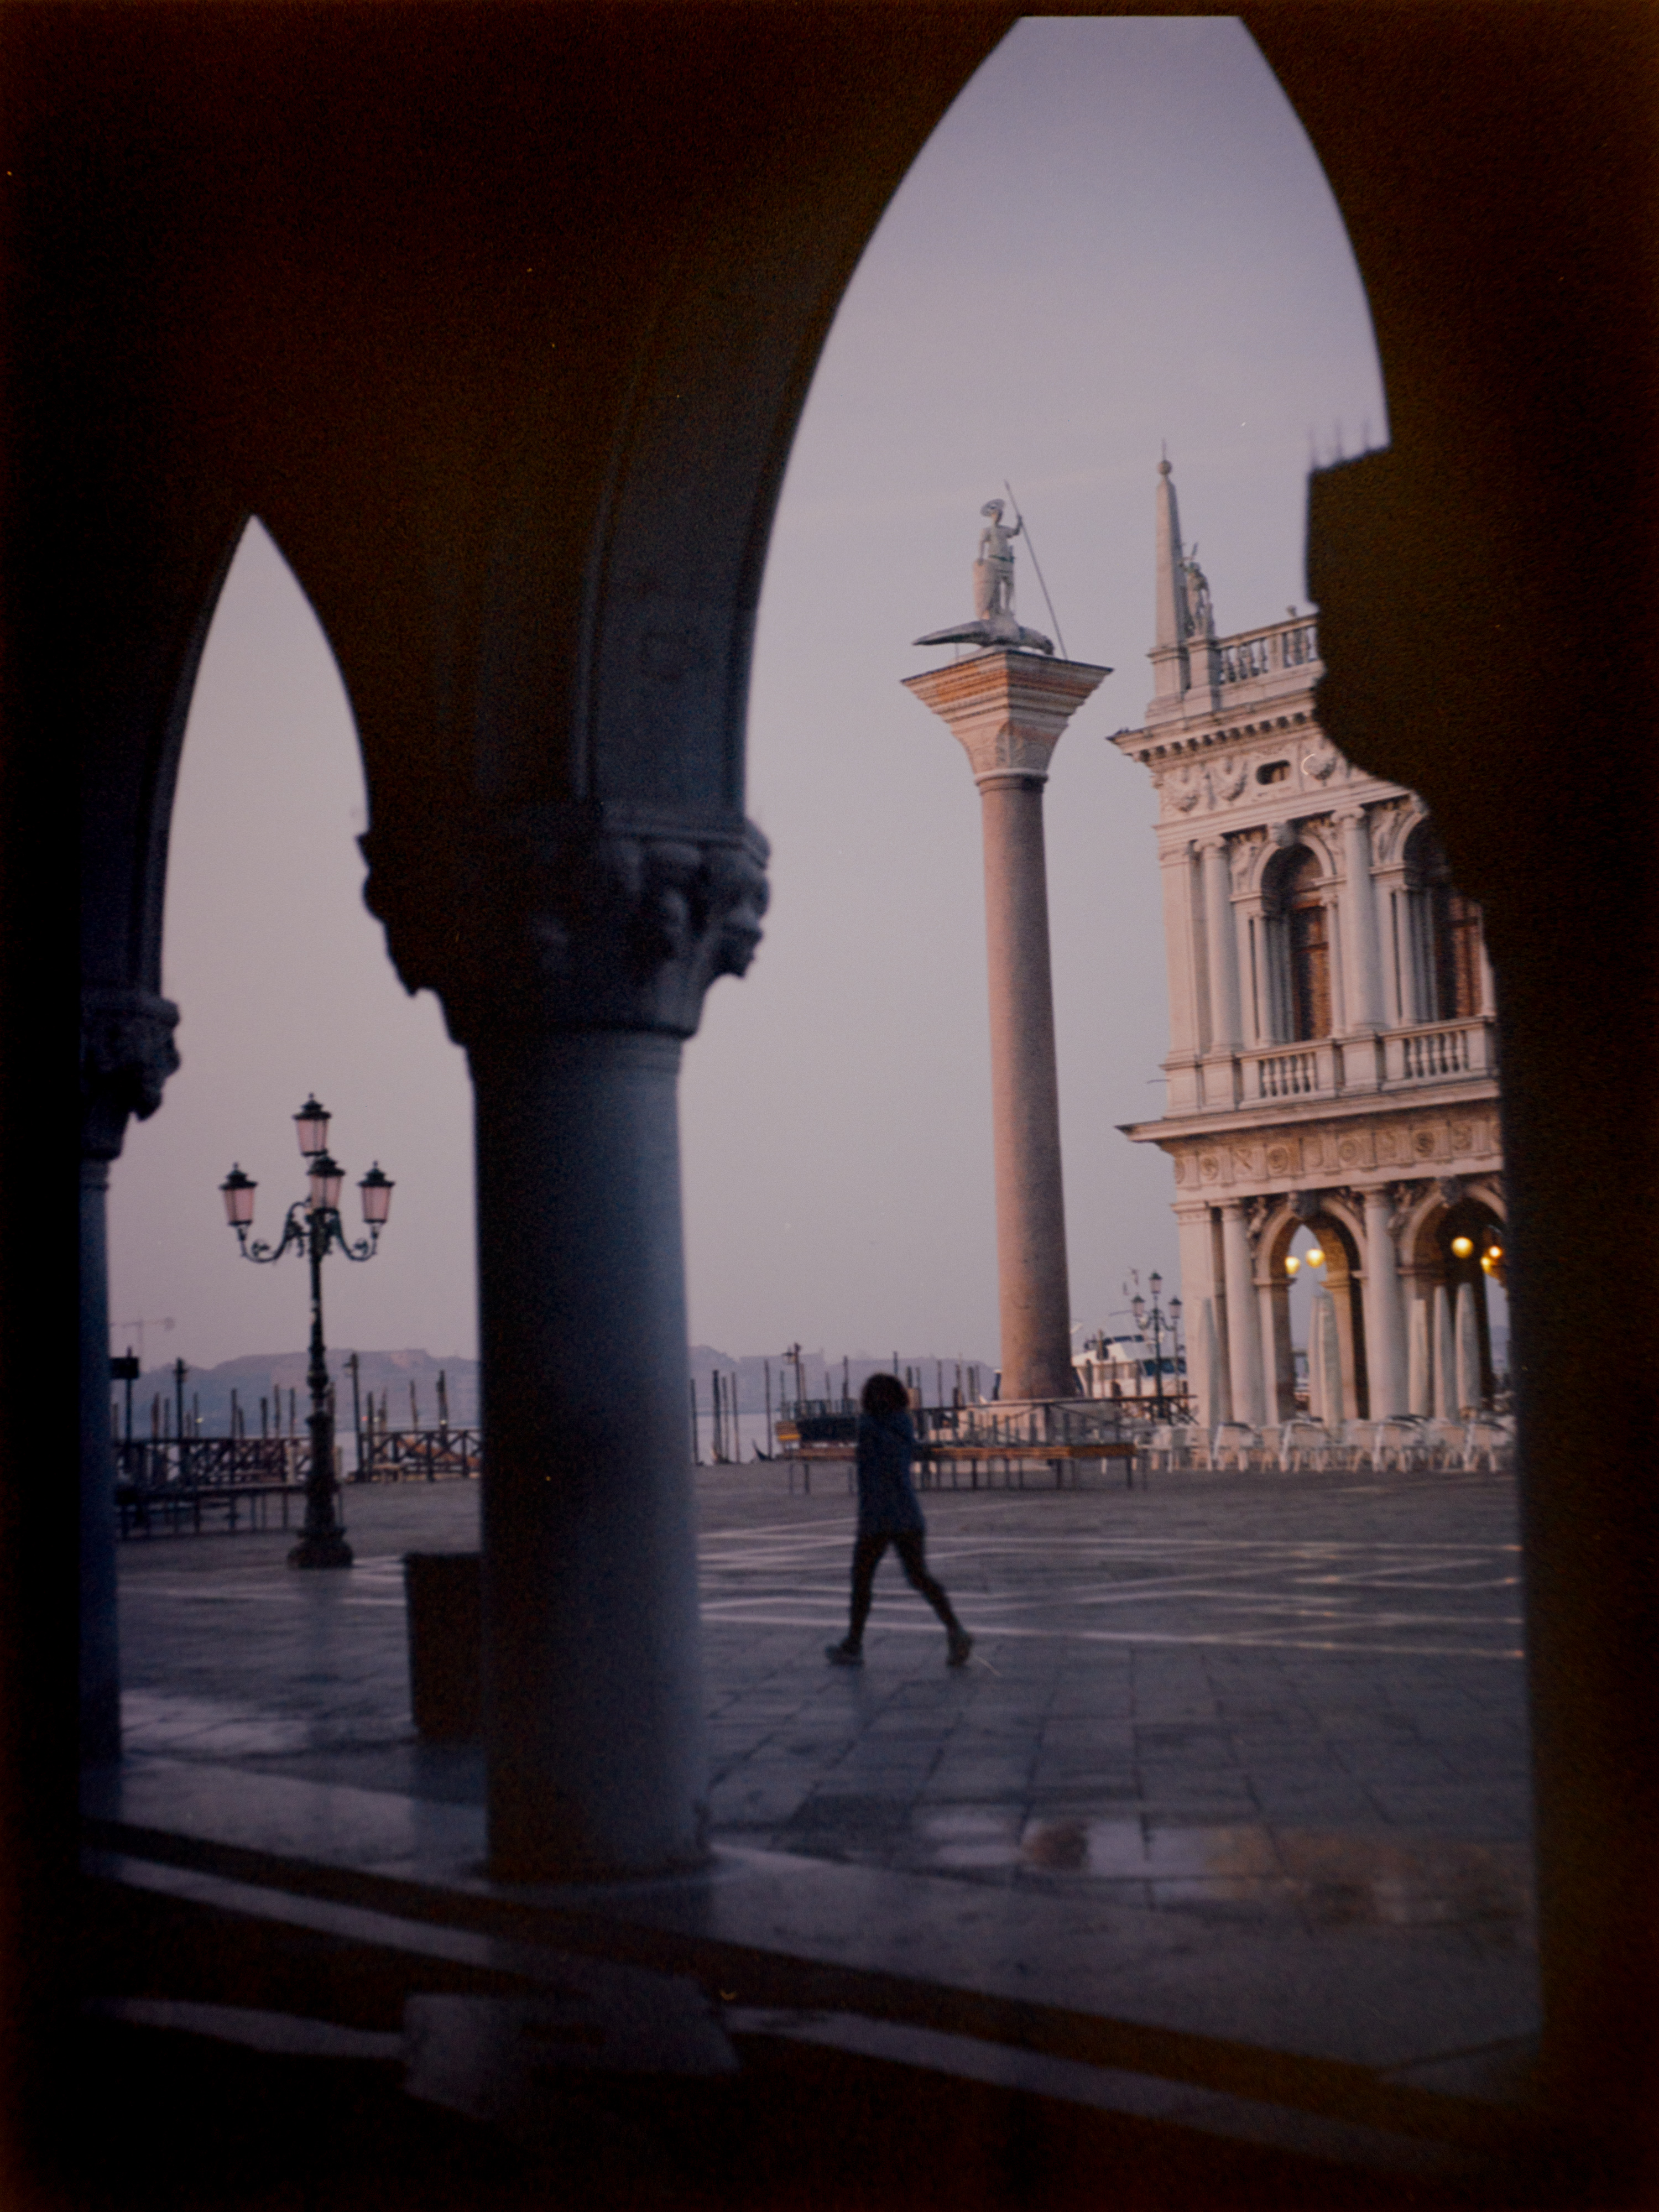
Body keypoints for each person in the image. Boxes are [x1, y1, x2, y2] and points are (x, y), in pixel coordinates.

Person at [826, 1373, 973, 1668]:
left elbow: (874, 1471)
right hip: (907, 1514)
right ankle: (955, 1630)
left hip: (878, 1518)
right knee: (919, 1577)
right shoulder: (904, 1426)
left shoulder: (869, 1428)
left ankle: (854, 1644)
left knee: (863, 1580)